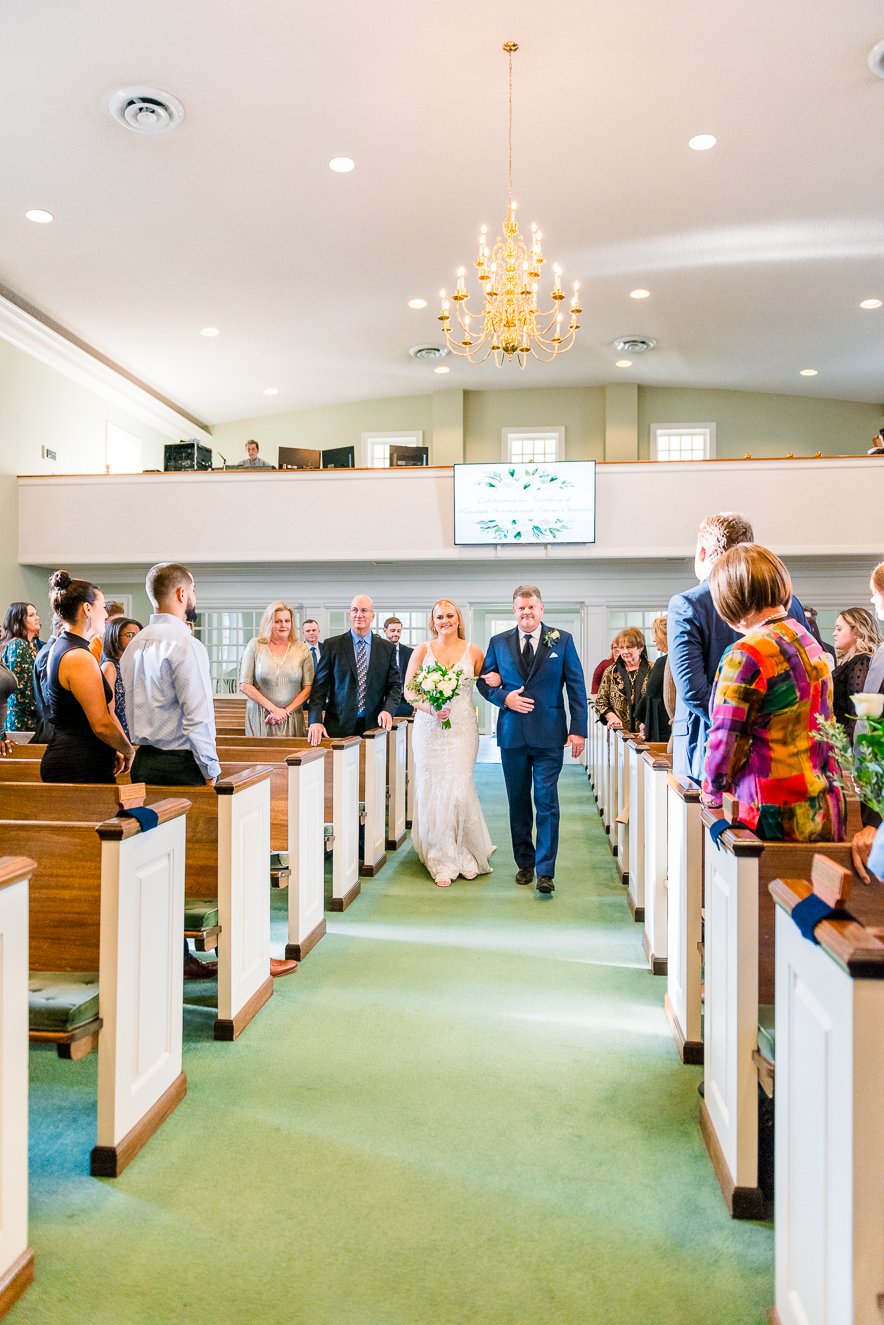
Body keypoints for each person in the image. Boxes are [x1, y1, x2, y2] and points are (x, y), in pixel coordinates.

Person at [121, 562, 297, 979]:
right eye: (194, 590)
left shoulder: (134, 645)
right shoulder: (186, 644)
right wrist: (212, 772)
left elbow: (124, 711)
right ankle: (250, 956)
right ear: (182, 595)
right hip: (183, 766)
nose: (195, 597)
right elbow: (198, 718)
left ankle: (178, 957)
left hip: (143, 763)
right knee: (222, 861)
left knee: (161, 865)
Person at [702, 544, 845, 842]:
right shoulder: (810, 643)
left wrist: (711, 792)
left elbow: (725, 741)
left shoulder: (747, 653)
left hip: (768, 814)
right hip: (819, 807)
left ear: (730, 600)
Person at [668, 511, 808, 784]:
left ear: (702, 552)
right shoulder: (789, 602)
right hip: (778, 747)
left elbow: (693, 690)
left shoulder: (687, 604)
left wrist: (736, 729)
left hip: (706, 747)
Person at [477, 585, 588, 895]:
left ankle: (545, 870)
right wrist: (503, 698)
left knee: (546, 800)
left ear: (541, 609)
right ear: (514, 611)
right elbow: (484, 683)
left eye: (531, 607)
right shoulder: (498, 642)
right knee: (518, 801)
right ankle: (524, 863)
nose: (526, 613)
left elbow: (576, 686)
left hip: (550, 734)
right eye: (520, 608)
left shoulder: (562, 640)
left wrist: (578, 729)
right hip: (512, 734)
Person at [404, 599, 494, 887]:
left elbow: (486, 681)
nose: (445, 620)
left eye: (450, 615)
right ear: (433, 621)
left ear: (459, 619)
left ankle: (465, 852)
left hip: (462, 730)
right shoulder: (422, 650)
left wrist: (495, 678)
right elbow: (408, 690)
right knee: (433, 789)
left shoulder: (474, 651)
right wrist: (430, 708)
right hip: (429, 729)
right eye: (439, 616)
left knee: (459, 789)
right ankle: (440, 857)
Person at [40, 572, 134, 783]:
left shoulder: (61, 646)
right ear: (87, 608)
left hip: (77, 755)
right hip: (78, 761)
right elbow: (100, 723)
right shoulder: (78, 656)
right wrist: (128, 749)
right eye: (101, 607)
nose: (105, 614)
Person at [307, 594, 402, 743]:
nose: (359, 615)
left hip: (374, 725)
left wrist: (388, 710)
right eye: (355, 610)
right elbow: (319, 689)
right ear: (349, 615)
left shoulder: (386, 648)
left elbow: (395, 686)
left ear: (372, 616)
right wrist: (315, 720)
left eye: (364, 610)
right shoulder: (332, 645)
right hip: (338, 726)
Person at [239, 601, 313, 737]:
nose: (283, 625)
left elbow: (308, 688)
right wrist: (273, 710)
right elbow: (245, 685)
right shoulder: (255, 646)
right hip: (261, 718)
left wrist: (285, 712)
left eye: (287, 621)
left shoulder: (302, 649)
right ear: (269, 622)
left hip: (291, 718)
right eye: (278, 621)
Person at [831, 607, 880, 735]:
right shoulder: (852, 661)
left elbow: (857, 714)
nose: (834, 633)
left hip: (847, 743)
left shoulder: (861, 662)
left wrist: (846, 747)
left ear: (857, 631)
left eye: (839, 629)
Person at [594, 627, 651, 732]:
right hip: (619, 732)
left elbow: (660, 702)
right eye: (621, 647)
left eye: (629, 647)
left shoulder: (653, 669)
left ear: (640, 648)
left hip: (647, 732)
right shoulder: (610, 672)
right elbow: (601, 702)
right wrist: (611, 717)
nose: (625, 651)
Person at [1, 600, 43, 735]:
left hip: (33, 716)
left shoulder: (32, 646)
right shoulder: (17, 645)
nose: (37, 618)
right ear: (18, 620)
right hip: (21, 719)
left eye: (36, 614)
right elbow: (21, 689)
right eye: (31, 615)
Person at [100, 617, 142, 741]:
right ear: (115, 637)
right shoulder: (110, 667)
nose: (136, 640)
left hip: (135, 736)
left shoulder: (133, 666)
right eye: (130, 635)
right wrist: (124, 743)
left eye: (138, 636)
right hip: (119, 737)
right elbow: (109, 712)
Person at [635, 616, 672, 743]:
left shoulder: (663, 663)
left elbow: (651, 696)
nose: (657, 648)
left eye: (657, 642)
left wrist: (646, 725)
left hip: (664, 730)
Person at [383, 615, 414, 717]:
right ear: (385, 630)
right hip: (380, 703)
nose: (396, 634)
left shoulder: (410, 653)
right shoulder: (377, 651)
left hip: (404, 704)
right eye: (392, 630)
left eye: (398, 631)